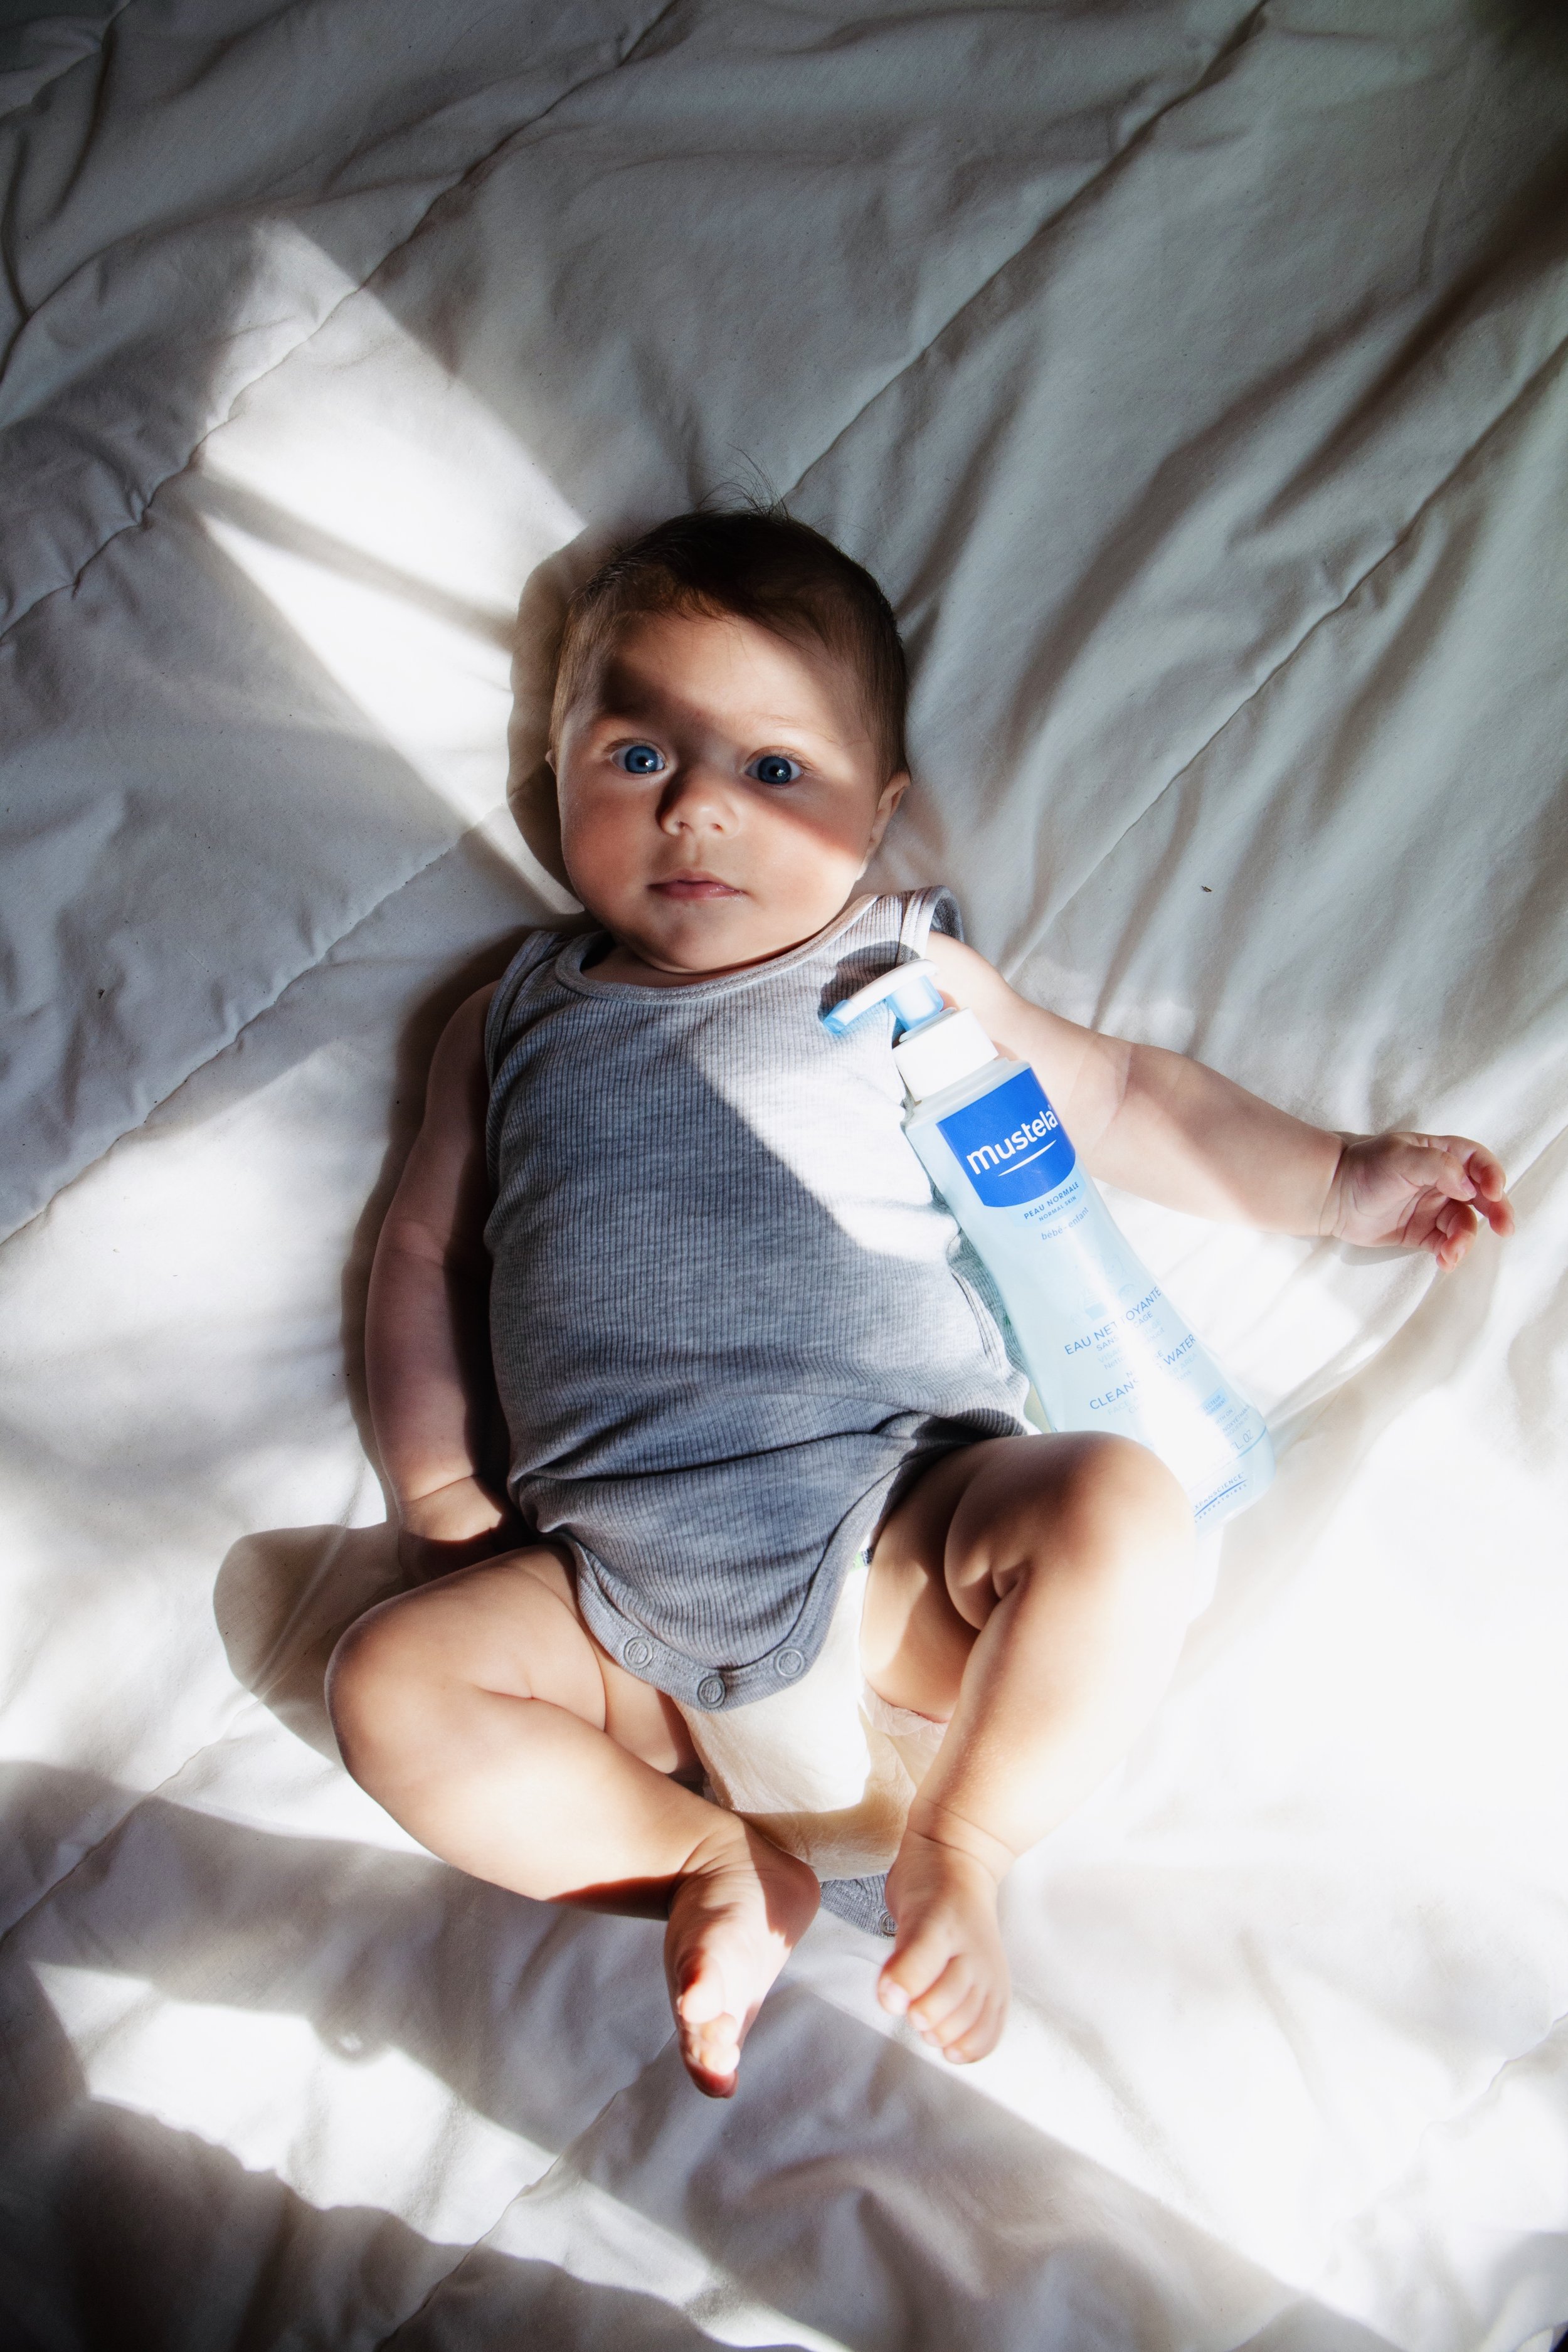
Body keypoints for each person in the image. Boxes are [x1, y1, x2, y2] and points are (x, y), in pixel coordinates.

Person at [326, 511, 1514, 2099]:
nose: (695, 810)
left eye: (772, 772)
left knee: (1115, 1504)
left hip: (893, 1533)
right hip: (611, 1604)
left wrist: (1337, 1177)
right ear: (553, 766)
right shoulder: (511, 1019)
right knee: (389, 1682)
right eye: (632, 757)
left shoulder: (893, 972)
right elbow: (423, 1258)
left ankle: (968, 1832)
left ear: (879, 814)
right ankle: (706, 1862)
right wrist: (440, 1496)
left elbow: (1119, 1097)